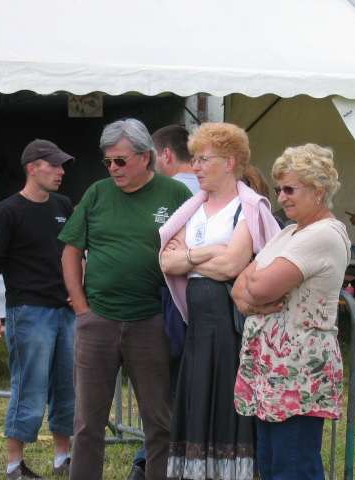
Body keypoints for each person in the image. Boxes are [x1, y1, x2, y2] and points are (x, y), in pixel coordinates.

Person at [59, 118, 192, 480]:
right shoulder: (97, 193)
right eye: (107, 161)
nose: (113, 168)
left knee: (160, 420)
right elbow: (70, 251)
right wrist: (81, 308)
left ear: (146, 157)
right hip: (97, 320)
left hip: (152, 320)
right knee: (87, 422)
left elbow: (194, 247)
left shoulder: (175, 194)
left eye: (120, 160)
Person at [159, 122, 280, 480]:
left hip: (230, 325)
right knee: (198, 395)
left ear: (229, 163)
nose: (195, 166)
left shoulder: (248, 208)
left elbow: (232, 265)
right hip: (198, 325)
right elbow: (166, 262)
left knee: (229, 399)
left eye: (203, 159)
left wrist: (189, 258)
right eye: (194, 158)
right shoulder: (193, 207)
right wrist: (210, 251)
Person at [231, 143, 350, 480]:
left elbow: (257, 287)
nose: (281, 197)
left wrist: (254, 291)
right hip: (273, 368)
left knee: (293, 467)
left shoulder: (323, 234)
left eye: (290, 189)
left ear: (319, 191)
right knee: (272, 465)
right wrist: (254, 292)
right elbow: (239, 288)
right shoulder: (288, 233)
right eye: (279, 189)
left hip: (299, 370)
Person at [0, 139, 76, 480]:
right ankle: (14, 465)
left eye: (62, 165)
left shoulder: (63, 204)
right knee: (30, 388)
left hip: (66, 312)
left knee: (68, 387)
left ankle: (63, 459)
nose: (61, 171)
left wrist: (79, 288)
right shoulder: (8, 211)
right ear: (32, 168)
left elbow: (76, 251)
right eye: (55, 165)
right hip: (29, 313)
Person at [127, 124, 199, 480]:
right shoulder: (220, 193)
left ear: (165, 155)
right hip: (206, 305)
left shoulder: (167, 193)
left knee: (164, 394)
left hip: (167, 306)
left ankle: (148, 464)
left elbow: (155, 253)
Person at [153, 124, 201, 194]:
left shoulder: (162, 191)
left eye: (153, 156)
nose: (150, 162)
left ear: (166, 155)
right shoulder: (211, 185)